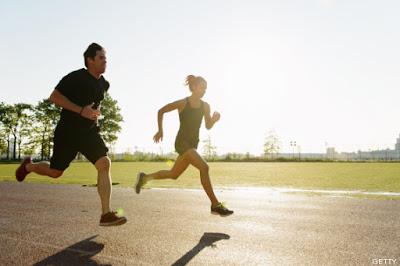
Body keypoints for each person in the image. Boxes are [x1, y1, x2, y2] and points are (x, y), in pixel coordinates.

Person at [15, 43, 127, 226]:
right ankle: (29, 167)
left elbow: (95, 105)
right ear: (90, 60)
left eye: (106, 57)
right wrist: (80, 110)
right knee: (55, 172)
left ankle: (106, 214)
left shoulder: (103, 83)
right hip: (68, 132)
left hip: (89, 132)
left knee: (104, 163)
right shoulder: (75, 77)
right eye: (101, 57)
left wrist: (94, 116)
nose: (105, 61)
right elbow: (54, 97)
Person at [135, 75, 234, 216]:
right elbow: (161, 111)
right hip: (182, 143)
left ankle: (144, 178)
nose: (204, 90)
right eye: (202, 87)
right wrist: (160, 130)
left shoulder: (205, 106)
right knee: (204, 167)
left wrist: (214, 120)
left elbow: (208, 126)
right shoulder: (183, 103)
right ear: (193, 87)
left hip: (193, 144)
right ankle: (215, 204)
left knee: (173, 174)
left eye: (206, 88)